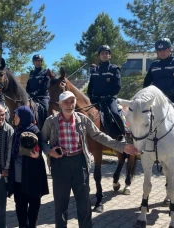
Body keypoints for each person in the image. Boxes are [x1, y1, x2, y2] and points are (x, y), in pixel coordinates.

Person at [40, 91, 138, 228]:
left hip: (80, 163)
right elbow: (42, 140)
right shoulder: (51, 121)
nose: (69, 105)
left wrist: (122, 146)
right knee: (61, 205)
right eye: (66, 102)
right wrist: (49, 151)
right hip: (60, 165)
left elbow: (100, 136)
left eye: (72, 101)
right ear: (60, 104)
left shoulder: (82, 119)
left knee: (84, 204)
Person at [8, 106, 49, 228]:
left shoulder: (34, 131)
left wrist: (37, 155)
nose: (14, 118)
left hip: (32, 178)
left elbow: (38, 151)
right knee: (20, 208)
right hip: (18, 178)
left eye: (17, 116)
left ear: (24, 117)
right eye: (14, 116)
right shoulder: (16, 131)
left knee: (33, 208)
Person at [87, 45, 126, 141]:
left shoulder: (114, 69)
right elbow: (90, 86)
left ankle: (122, 134)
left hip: (109, 99)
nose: (104, 55)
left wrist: (109, 96)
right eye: (102, 53)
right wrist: (90, 96)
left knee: (114, 114)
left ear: (110, 56)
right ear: (99, 56)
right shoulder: (94, 70)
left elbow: (117, 86)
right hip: (96, 99)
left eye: (106, 53)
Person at [26, 54, 51, 129]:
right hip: (32, 96)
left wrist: (36, 93)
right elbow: (28, 84)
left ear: (41, 62)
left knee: (46, 109)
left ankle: (45, 127)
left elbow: (46, 86)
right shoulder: (32, 73)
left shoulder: (46, 72)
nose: (37, 62)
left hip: (43, 97)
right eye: (36, 61)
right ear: (33, 62)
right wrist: (28, 92)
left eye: (39, 61)